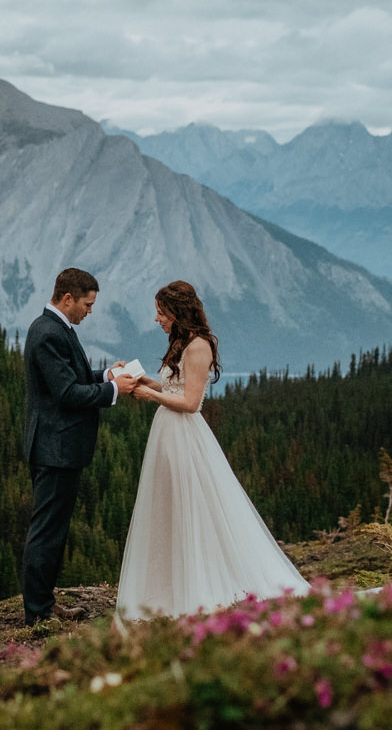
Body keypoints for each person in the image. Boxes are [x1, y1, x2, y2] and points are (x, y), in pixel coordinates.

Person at [117, 280, 309, 619]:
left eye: (161, 313)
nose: (157, 319)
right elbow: (175, 388)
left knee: (191, 504)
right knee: (169, 505)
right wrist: (147, 382)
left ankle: (200, 581)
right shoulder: (182, 343)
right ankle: (170, 585)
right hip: (167, 433)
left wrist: (151, 396)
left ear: (177, 312)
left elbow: (191, 403)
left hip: (184, 434)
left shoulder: (199, 346)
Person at [21, 267, 139, 626]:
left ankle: (43, 604)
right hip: (55, 449)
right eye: (87, 305)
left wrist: (106, 376)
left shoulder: (55, 329)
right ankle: (38, 611)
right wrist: (115, 390)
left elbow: (71, 378)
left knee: (53, 529)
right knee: (47, 530)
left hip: (59, 448)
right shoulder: (48, 333)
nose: (89, 311)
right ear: (68, 298)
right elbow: (67, 393)